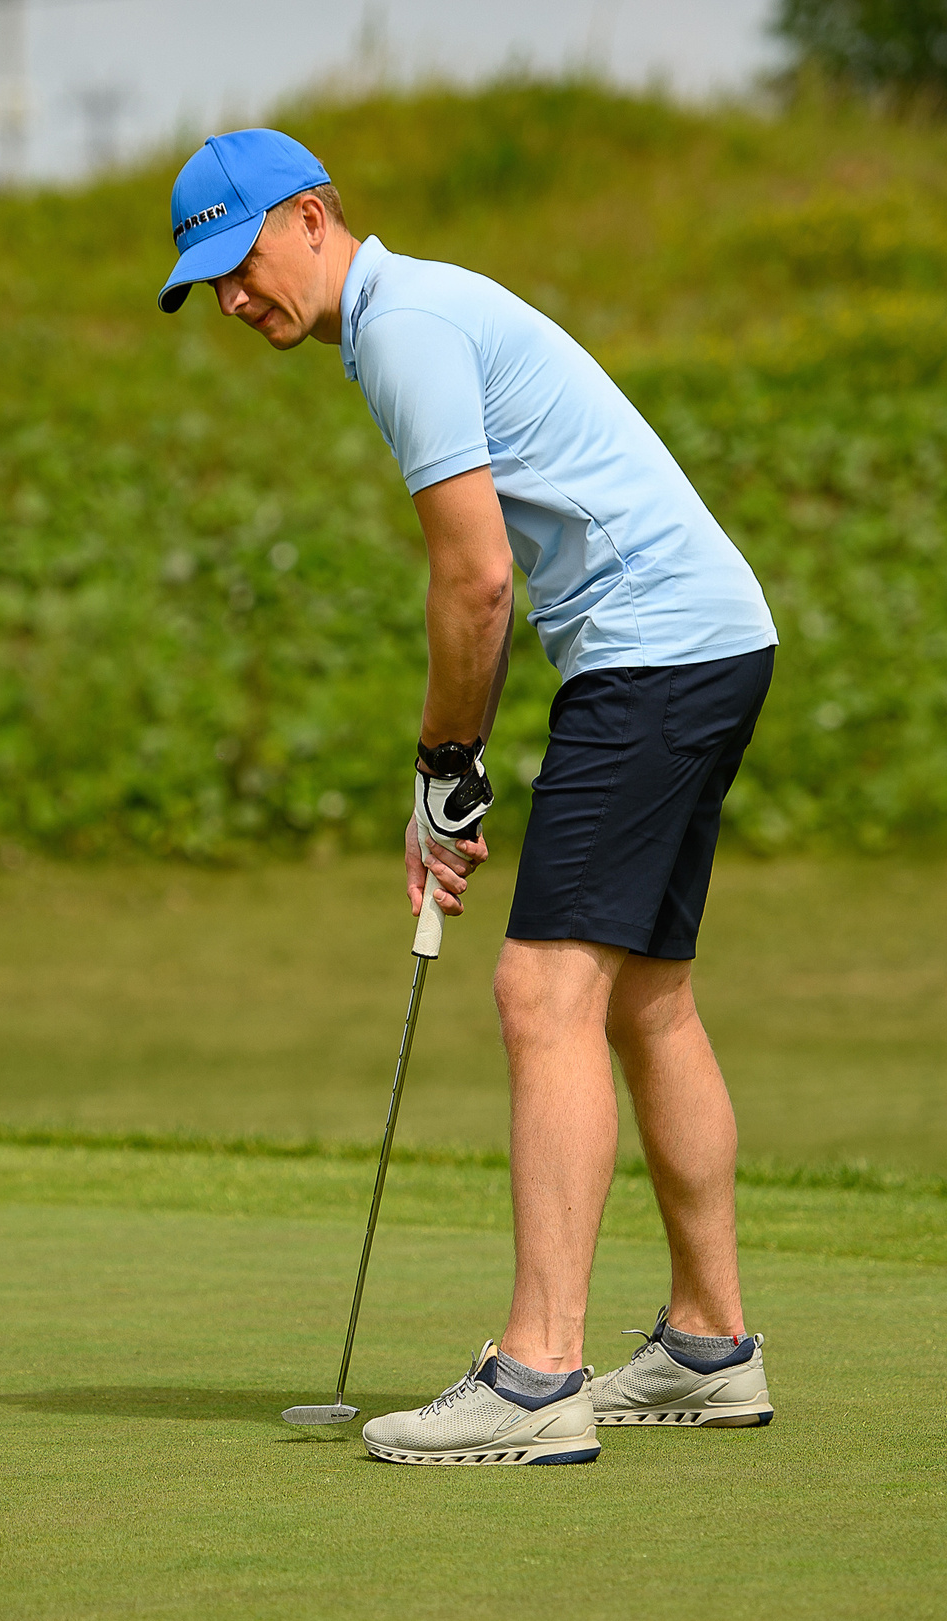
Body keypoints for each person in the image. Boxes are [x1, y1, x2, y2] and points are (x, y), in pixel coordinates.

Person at [159, 130, 780, 1466]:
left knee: (541, 990)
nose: (233, 300)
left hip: (655, 649)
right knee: (645, 989)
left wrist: (446, 764)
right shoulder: (421, 310)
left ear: (312, 215)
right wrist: (458, 760)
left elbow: (478, 581)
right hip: (711, 639)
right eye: (207, 284)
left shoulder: (403, 326)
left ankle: (538, 1373)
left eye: (241, 260)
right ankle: (707, 1347)